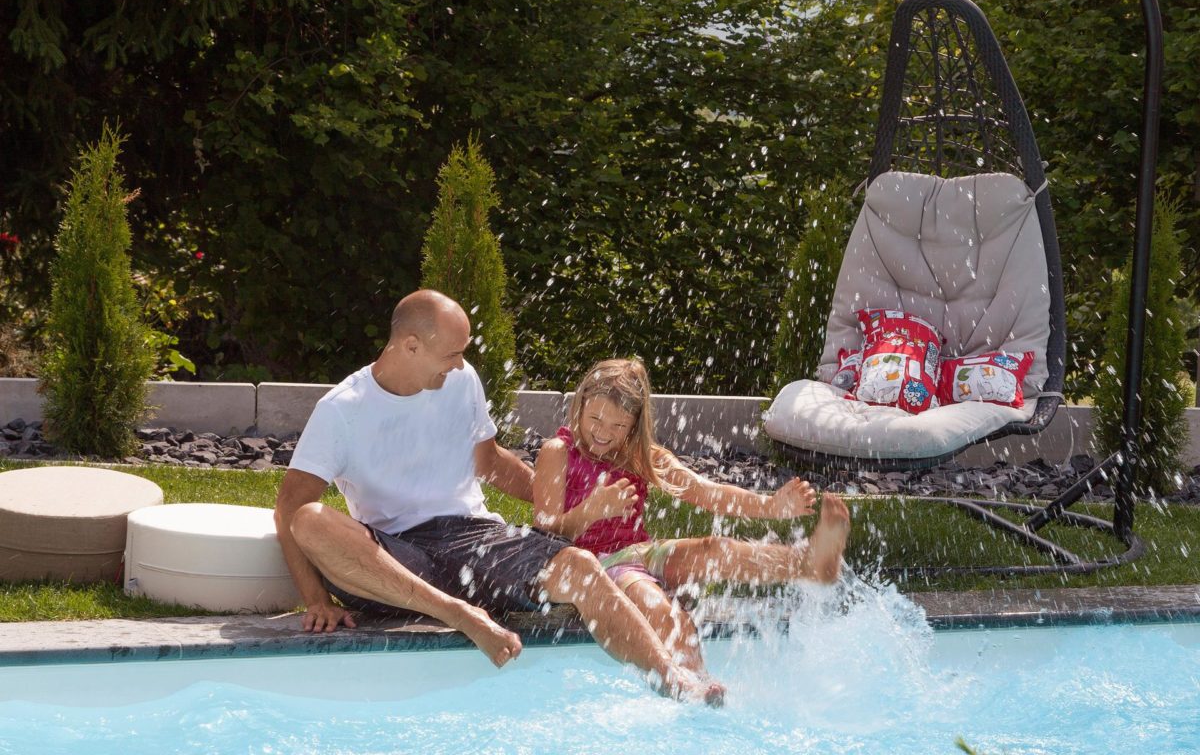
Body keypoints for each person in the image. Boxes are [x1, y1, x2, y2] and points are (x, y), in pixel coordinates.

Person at [274, 290, 722, 703]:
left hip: (472, 536)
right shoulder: (342, 410)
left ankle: (671, 678)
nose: (459, 363)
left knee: (580, 566)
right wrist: (315, 599)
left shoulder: (461, 380)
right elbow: (290, 507)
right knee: (313, 518)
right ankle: (461, 615)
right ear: (410, 345)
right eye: (452, 353)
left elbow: (489, 461)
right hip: (396, 553)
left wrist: (557, 507)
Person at [531, 357, 851, 680]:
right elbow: (545, 532)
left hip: (638, 552)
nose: (602, 433)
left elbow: (706, 492)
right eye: (595, 419)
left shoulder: (639, 456)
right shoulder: (558, 451)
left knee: (714, 549)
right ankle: (698, 683)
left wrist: (771, 506)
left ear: (633, 426)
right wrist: (593, 510)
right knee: (666, 613)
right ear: (580, 404)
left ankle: (809, 564)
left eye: (617, 427)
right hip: (597, 566)